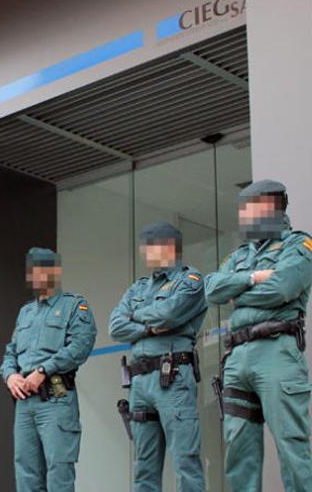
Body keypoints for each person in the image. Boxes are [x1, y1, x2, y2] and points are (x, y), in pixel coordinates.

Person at [205, 179, 312, 491]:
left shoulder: (298, 245)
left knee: (291, 445)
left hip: (276, 351)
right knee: (238, 450)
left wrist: (237, 294)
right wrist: (251, 277)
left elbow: (282, 288)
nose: (245, 217)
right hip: (237, 358)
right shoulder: (240, 255)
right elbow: (211, 289)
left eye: (249, 209)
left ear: (269, 207)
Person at [109, 222, 207, 491]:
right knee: (143, 468)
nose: (144, 252)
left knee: (185, 461)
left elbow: (169, 314)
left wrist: (136, 318)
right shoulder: (138, 287)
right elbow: (115, 326)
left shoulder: (190, 281)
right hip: (139, 382)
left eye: (149, 246)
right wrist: (150, 326)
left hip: (172, 377)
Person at [0, 247, 97, 492]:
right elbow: (10, 352)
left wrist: (44, 370)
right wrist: (10, 375)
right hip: (24, 403)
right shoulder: (25, 312)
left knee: (59, 472)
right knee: (26, 474)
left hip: (55, 398)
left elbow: (80, 346)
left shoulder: (74, 305)